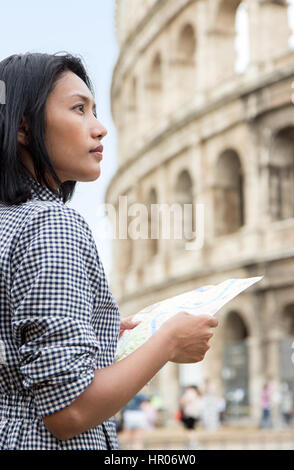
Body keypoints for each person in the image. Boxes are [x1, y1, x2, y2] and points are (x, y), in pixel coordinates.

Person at [0, 51, 218, 450]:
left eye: (95, 111)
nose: (100, 129)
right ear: (23, 127)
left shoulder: (8, 223)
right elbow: (69, 411)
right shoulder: (52, 224)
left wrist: (96, 337)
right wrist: (166, 341)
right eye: (79, 109)